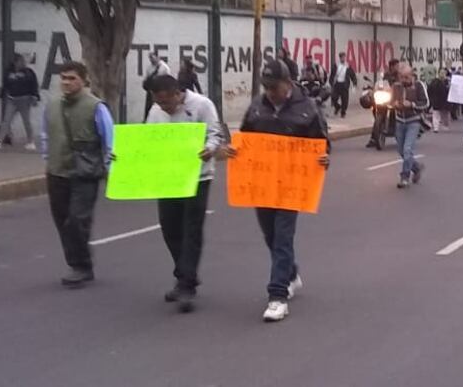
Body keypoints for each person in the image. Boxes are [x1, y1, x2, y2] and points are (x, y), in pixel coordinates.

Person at [222, 60, 329, 322]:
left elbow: (321, 142)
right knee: (270, 235)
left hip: (292, 185)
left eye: (274, 87)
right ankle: (291, 273)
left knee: (282, 236)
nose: (270, 92)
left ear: (288, 84)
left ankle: (277, 295)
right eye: (266, 87)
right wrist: (233, 150)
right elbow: (246, 138)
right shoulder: (257, 107)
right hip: (263, 184)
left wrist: (324, 157)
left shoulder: (308, 108)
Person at [145, 74, 224, 312]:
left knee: (191, 228)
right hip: (168, 177)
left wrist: (209, 149)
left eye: (167, 102)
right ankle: (185, 273)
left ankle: (186, 284)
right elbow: (148, 140)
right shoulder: (155, 112)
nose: (164, 108)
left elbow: (215, 134)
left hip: (197, 176)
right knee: (169, 226)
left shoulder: (202, 105)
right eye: (159, 103)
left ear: (178, 93)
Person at [39, 61, 114, 288]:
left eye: (72, 78)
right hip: (56, 172)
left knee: (77, 220)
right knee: (62, 220)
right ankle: (76, 262)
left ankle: (82, 265)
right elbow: (46, 134)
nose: (66, 82)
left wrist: (110, 170)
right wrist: (48, 158)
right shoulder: (51, 105)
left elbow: (109, 140)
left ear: (84, 80)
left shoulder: (96, 106)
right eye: (63, 78)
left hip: (86, 172)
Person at [391, 63, 430, 188]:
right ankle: (417, 167)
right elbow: (390, 101)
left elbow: (426, 103)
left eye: (406, 77)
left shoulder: (419, 85)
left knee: (408, 149)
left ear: (411, 75)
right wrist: (394, 104)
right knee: (401, 151)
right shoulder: (396, 86)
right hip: (399, 121)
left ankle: (404, 176)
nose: (404, 80)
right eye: (401, 77)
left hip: (413, 121)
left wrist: (412, 105)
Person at [0, 54, 39, 150]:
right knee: (6, 120)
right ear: (15, 62)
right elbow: (5, 85)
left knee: (26, 121)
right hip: (12, 99)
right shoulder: (8, 73)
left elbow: (34, 85)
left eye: (22, 61)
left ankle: (31, 141)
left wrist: (35, 97)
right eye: (19, 61)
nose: (21, 63)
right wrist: (0, 96)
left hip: (24, 99)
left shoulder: (28, 72)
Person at [143, 53, 172, 117]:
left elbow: (168, 81)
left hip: (161, 92)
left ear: (157, 57)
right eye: (150, 59)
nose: (151, 60)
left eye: (153, 58)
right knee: (149, 109)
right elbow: (146, 79)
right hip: (151, 92)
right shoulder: (149, 68)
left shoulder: (164, 68)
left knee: (160, 109)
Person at [329, 52, 358, 118]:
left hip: (344, 85)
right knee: (334, 98)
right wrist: (331, 83)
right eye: (342, 57)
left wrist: (354, 84)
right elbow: (332, 75)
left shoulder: (347, 66)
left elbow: (352, 75)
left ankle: (343, 112)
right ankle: (337, 107)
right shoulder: (336, 66)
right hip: (337, 84)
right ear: (340, 58)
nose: (343, 58)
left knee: (344, 100)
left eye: (344, 57)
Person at [427, 68, 450, 132]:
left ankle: (445, 125)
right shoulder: (435, 81)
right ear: (438, 73)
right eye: (441, 73)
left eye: (444, 73)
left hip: (445, 101)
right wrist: (431, 99)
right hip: (436, 100)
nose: (442, 74)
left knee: (445, 114)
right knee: (436, 114)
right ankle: (436, 128)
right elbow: (429, 90)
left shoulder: (448, 82)